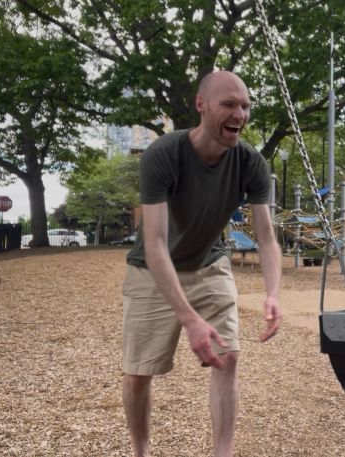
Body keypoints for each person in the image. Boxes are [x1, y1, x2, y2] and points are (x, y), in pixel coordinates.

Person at [121, 70, 282, 457]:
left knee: (229, 359)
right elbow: (156, 244)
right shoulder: (163, 155)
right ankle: (141, 451)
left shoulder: (251, 162)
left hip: (210, 265)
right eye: (229, 104)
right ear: (201, 105)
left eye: (245, 106)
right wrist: (190, 319)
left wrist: (273, 293)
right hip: (152, 271)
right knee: (139, 372)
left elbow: (266, 237)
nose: (239, 114)